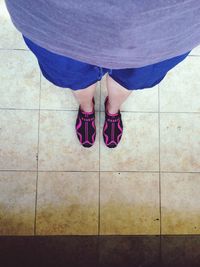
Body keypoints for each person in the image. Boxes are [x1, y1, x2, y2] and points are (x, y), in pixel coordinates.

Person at [5, 0, 200, 148]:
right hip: (55, 24)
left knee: (130, 80)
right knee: (75, 79)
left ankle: (112, 109)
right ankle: (86, 107)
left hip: (164, 29)